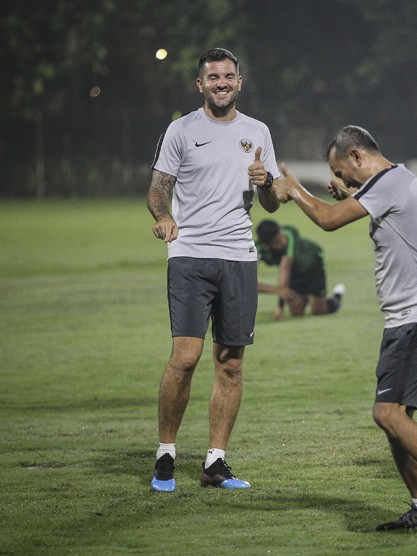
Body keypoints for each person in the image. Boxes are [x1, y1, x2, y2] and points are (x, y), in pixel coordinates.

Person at [272, 125, 417, 539]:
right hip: (407, 317)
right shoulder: (393, 182)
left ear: (356, 156)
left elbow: (329, 220)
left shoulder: (392, 181)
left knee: (387, 413)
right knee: (395, 416)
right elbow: (351, 206)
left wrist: (293, 189)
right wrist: (351, 193)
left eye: (343, 172)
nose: (344, 182)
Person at [146, 47, 281, 492]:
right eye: (213, 77)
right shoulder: (181, 130)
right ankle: (166, 453)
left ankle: (215, 463)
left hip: (239, 256)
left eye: (228, 76)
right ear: (199, 84)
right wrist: (163, 217)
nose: (221, 83)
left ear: (240, 82)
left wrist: (267, 186)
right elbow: (157, 190)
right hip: (190, 254)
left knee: (231, 364)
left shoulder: (257, 131)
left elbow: (271, 202)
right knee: (185, 357)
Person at [255, 219, 345, 320]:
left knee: (318, 311)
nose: (283, 241)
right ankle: (306, 297)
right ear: (267, 246)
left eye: (281, 235)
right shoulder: (257, 250)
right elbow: (247, 282)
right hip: (294, 271)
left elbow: (285, 267)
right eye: (278, 241)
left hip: (312, 265)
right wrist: (276, 290)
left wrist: (280, 306)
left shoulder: (290, 233)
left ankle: (336, 297)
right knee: (296, 312)